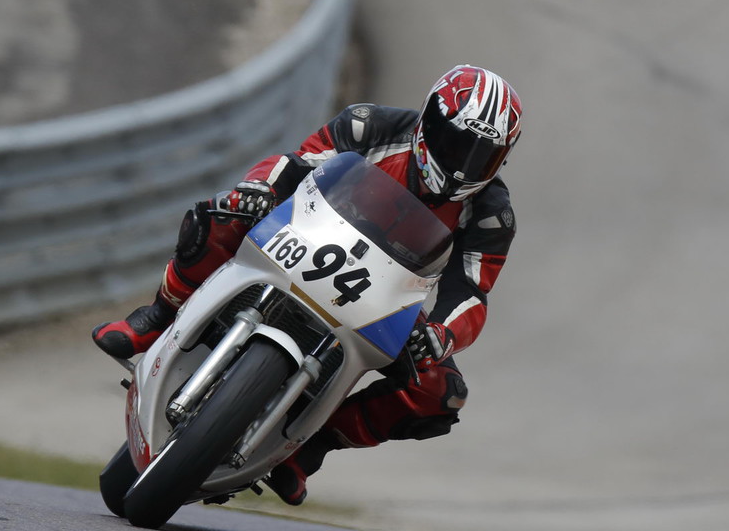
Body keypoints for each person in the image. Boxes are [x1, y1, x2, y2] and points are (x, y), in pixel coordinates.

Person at [92, 65, 521, 505]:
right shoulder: (370, 126)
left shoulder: (491, 215)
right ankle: (156, 318)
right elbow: (298, 164)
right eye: (456, 144)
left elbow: (471, 293)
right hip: (307, 237)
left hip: (387, 297)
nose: (463, 165)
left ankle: (310, 448)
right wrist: (258, 189)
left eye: (481, 157)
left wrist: (440, 334)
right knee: (221, 215)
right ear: (429, 122)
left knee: (440, 394)